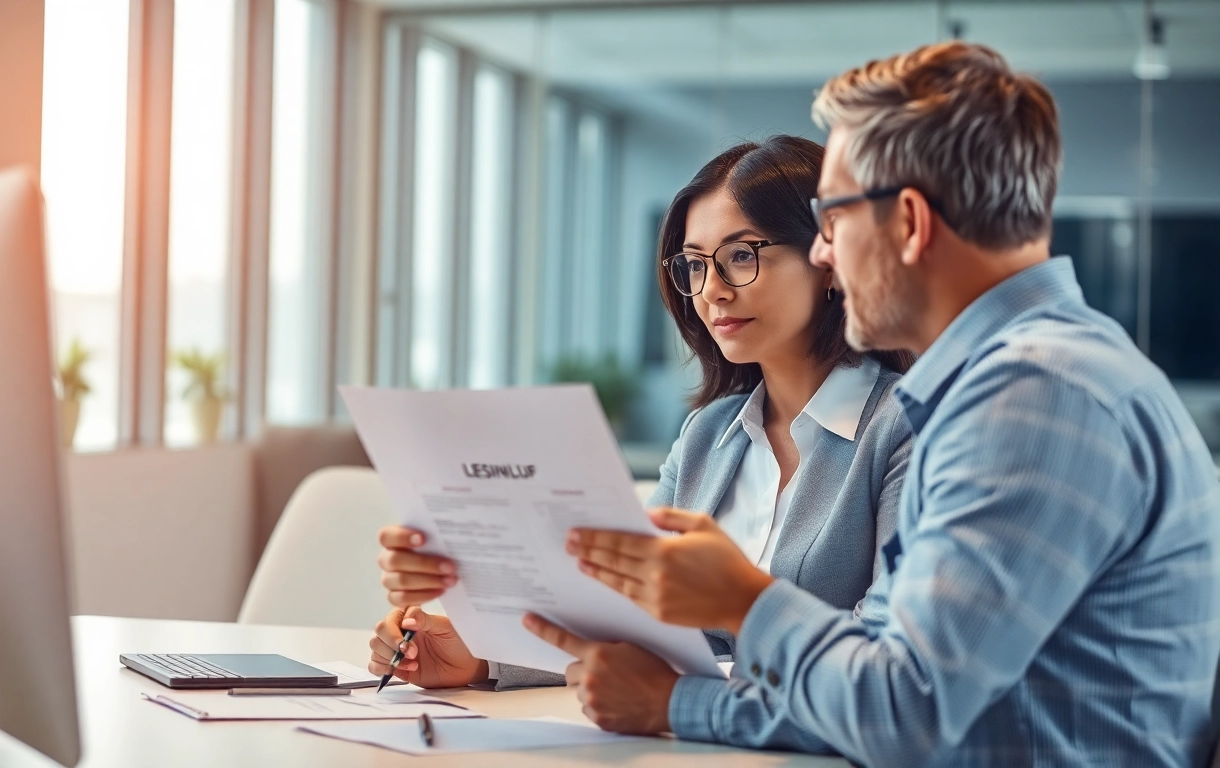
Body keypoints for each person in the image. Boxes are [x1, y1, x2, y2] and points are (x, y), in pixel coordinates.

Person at [528, 41, 1220, 767]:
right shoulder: (1024, 378)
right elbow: (889, 664)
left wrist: (743, 606)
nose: (825, 251)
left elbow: (901, 714)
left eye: (834, 217)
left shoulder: (1032, 396)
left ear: (910, 222)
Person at [367, 136, 913, 711]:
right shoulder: (707, 435)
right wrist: (481, 656)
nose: (712, 290)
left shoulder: (905, 428)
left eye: (742, 255)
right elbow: (641, 627)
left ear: (829, 259)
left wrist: (680, 699)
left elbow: (885, 666)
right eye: (695, 265)